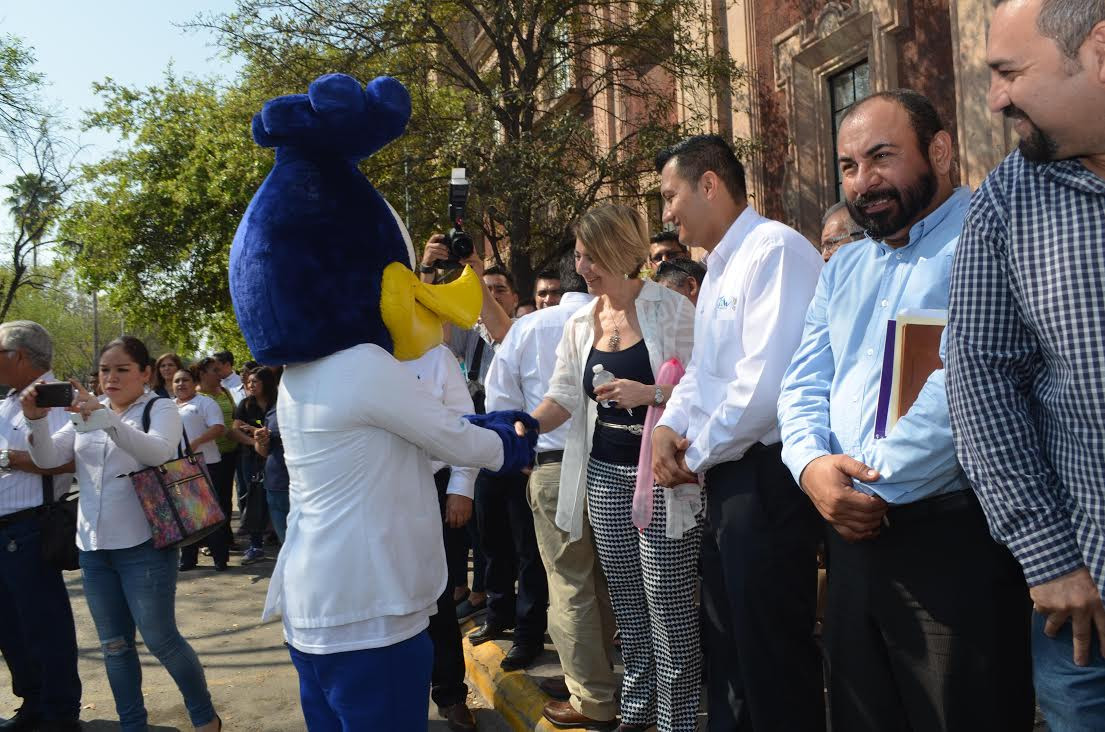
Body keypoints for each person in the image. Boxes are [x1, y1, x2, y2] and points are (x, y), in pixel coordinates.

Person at [779, 90, 1034, 731]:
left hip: (954, 545)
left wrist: (870, 486)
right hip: (851, 543)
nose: (863, 182)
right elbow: (802, 383)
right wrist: (812, 468)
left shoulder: (989, 239)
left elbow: (963, 389)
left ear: (940, 151)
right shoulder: (845, 270)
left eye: (881, 157)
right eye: (848, 166)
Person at [946, 1, 1105, 728]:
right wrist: (1046, 557)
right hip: (1084, 609)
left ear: (1097, 49)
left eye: (1009, 72)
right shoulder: (1007, 201)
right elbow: (980, 382)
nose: (994, 98)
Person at [650, 134, 825, 731]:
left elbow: (763, 388)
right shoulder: (720, 269)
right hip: (728, 479)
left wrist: (691, 452)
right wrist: (668, 427)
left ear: (709, 184)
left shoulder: (774, 251)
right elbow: (704, 371)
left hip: (767, 479)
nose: (666, 213)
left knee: (772, 655)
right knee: (730, 649)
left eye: (670, 196)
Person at [526, 205, 696, 731]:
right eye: (579, 256)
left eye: (591, 255)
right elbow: (561, 396)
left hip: (663, 480)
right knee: (627, 604)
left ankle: (676, 721)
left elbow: (707, 383)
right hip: (602, 476)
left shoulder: (670, 309)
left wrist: (653, 393)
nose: (584, 268)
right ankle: (639, 708)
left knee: (668, 608)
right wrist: (520, 429)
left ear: (620, 251)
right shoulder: (581, 321)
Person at [22, 336, 220, 732]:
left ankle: (203, 717)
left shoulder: (159, 407)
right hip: (93, 547)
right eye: (104, 370)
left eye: (122, 369)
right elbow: (47, 459)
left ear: (145, 373)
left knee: (161, 639)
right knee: (114, 648)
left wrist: (105, 418)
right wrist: (36, 420)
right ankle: (133, 726)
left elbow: (157, 452)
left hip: (144, 543)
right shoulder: (84, 413)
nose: (110, 378)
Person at [485, 252, 624, 728]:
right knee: (609, 581)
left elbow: (501, 404)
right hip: (617, 464)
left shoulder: (530, 328)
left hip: (554, 465)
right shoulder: (619, 318)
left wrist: (527, 462)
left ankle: (592, 696)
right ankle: (603, 681)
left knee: (569, 583)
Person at [0, 321, 81, 732]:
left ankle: (60, 711)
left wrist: (7, 458)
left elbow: (63, 459)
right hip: (4, 529)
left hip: (32, 527)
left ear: (19, 356)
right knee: (10, 626)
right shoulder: (7, 402)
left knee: (43, 624)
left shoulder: (60, 398)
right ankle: (32, 703)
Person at [401, 345, 480, 732]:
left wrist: (462, 486)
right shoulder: (358, 352)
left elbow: (465, 422)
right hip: (376, 492)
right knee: (390, 598)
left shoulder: (436, 356)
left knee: (439, 598)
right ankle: (399, 699)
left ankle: (450, 695)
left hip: (435, 487)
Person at [171, 369, 229, 572]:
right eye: (176, 381)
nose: (180, 384)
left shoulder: (205, 403)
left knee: (210, 514)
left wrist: (196, 443)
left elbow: (219, 428)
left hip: (207, 463)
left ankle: (220, 558)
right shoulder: (168, 406)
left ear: (194, 382)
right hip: (178, 467)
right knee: (188, 514)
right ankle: (188, 559)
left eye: (185, 380)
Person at [187, 357, 238, 564]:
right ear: (202, 374)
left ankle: (225, 538)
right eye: (214, 370)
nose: (220, 374)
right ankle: (208, 542)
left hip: (230, 452)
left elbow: (234, 418)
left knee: (225, 499)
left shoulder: (224, 391)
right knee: (208, 502)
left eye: (220, 370)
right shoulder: (196, 397)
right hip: (207, 457)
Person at [233, 367, 274, 565]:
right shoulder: (245, 404)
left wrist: (259, 432)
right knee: (253, 498)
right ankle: (255, 545)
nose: (250, 385)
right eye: (249, 382)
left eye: (255, 382)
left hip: (277, 458)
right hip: (251, 459)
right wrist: (255, 442)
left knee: (277, 499)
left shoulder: (278, 404)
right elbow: (234, 431)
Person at [253, 367, 289, 545]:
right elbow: (263, 452)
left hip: (305, 487)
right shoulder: (272, 412)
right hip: (276, 486)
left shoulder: (315, 409)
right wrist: (260, 440)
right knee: (286, 545)